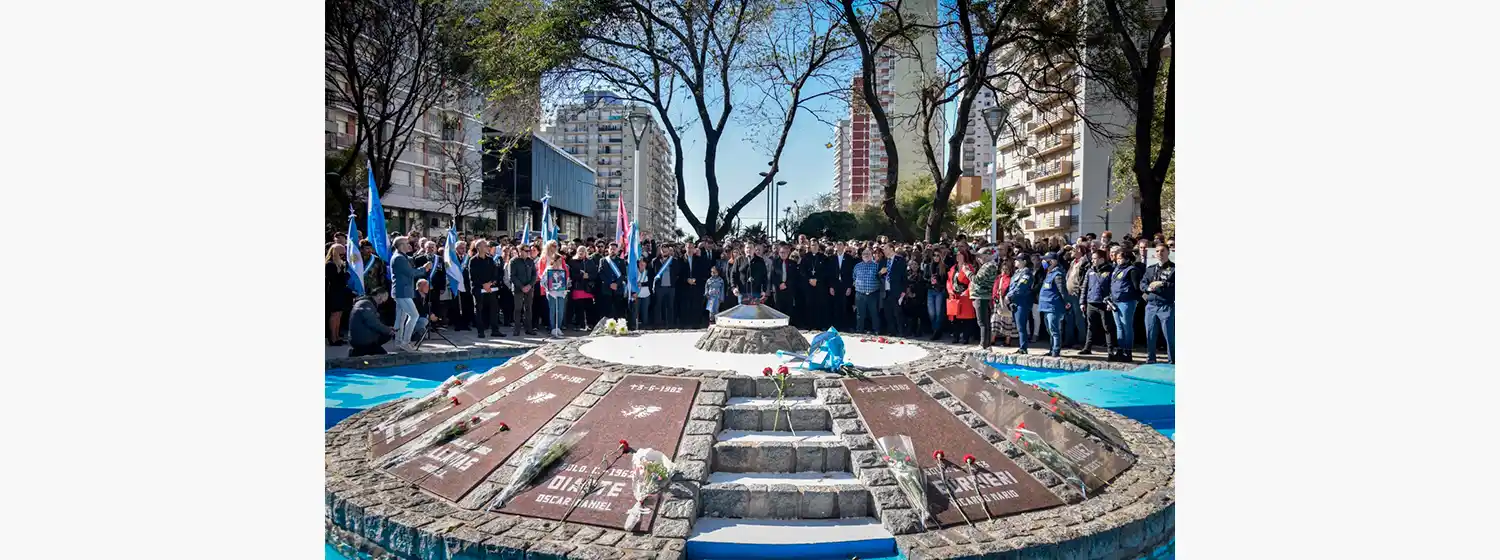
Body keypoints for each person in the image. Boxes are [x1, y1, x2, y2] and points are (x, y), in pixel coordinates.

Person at [390, 236, 433, 352]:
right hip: (402, 292)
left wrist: (424, 255)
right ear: (401, 246)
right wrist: (424, 269)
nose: (409, 245)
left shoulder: (401, 257)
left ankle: (399, 341)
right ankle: (405, 342)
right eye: (406, 243)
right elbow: (411, 273)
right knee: (414, 315)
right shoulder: (399, 258)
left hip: (401, 291)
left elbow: (412, 260)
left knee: (400, 318)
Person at [1108, 247, 1145, 362]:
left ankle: (1127, 351)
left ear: (1127, 258)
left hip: (1127, 301)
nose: (1119, 260)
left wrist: (1135, 298)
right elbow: (1112, 285)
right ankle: (1120, 349)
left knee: (1126, 326)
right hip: (1115, 301)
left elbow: (1136, 287)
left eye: (1121, 258)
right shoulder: (1116, 269)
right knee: (1119, 327)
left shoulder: (1131, 270)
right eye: (1117, 258)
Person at [1141, 244, 1176, 364]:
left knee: (1169, 335)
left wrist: (1163, 284)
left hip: (1166, 305)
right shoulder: (1151, 268)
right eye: (1157, 251)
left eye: (1162, 251)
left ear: (1168, 252)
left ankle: (1172, 360)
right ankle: (1151, 359)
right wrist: (1148, 288)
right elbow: (1142, 284)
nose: (1159, 253)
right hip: (1151, 306)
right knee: (1150, 334)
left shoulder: (1174, 269)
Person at [1080, 248, 1117, 357]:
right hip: (1091, 301)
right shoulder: (1090, 271)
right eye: (1092, 259)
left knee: (1107, 327)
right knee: (1090, 326)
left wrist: (1110, 300)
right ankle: (1087, 347)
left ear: (1101, 259)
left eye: (1095, 259)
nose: (1093, 261)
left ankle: (1110, 350)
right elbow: (1084, 287)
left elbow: (1112, 287)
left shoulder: (1110, 270)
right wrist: (1082, 302)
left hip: (1104, 303)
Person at [1037, 252, 1071, 357]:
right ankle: (1052, 349)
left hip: (1053, 306)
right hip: (1046, 306)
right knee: (1049, 330)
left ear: (1052, 261)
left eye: (1045, 260)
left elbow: (1063, 291)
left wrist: (1067, 303)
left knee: (1054, 329)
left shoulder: (1058, 275)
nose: (1043, 262)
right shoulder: (1049, 273)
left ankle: (1056, 351)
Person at [348, 291, 395, 357]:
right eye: (383, 300)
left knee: (387, 333)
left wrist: (387, 329)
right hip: (362, 341)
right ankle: (360, 351)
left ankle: (361, 351)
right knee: (387, 334)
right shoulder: (366, 304)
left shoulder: (366, 303)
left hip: (359, 338)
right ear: (379, 296)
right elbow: (373, 323)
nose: (382, 302)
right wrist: (388, 330)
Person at [970, 247, 1000, 349]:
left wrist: (967, 272)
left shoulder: (989, 266)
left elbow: (977, 280)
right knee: (984, 322)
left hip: (982, 296)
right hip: (981, 296)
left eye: (980, 256)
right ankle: (986, 344)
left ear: (987, 256)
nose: (978, 259)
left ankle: (983, 344)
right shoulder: (987, 266)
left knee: (982, 322)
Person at [1005, 254, 1036, 354]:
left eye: (1018, 260)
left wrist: (1009, 296)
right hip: (1015, 301)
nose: (1015, 262)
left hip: (1023, 301)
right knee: (1019, 326)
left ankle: (1023, 348)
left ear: (1024, 262)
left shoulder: (1026, 273)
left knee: (1021, 325)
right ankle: (1022, 346)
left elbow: (1021, 287)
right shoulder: (1017, 273)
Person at [946, 247, 978, 344]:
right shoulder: (953, 268)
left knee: (966, 319)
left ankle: (965, 337)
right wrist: (950, 290)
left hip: (965, 296)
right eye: (957, 255)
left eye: (960, 255)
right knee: (955, 318)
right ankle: (955, 337)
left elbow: (972, 282)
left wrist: (967, 292)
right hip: (954, 296)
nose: (958, 257)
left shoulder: (968, 267)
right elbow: (949, 281)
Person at [325, 243, 354, 346]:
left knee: (339, 315)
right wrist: (346, 275)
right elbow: (334, 280)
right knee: (334, 315)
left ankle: (337, 336)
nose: (343, 255)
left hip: (341, 292)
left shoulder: (339, 264)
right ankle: (333, 338)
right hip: (333, 292)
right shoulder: (330, 264)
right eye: (340, 253)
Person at [540, 242, 571, 338]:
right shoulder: (548, 269)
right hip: (551, 292)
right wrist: (547, 286)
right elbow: (543, 280)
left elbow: (567, 280)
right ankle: (553, 328)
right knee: (552, 310)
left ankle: (559, 327)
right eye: (557, 260)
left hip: (561, 292)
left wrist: (566, 285)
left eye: (560, 260)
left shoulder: (563, 270)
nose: (559, 262)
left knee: (560, 310)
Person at [650, 244, 685, 327]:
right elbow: (652, 274)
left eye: (666, 250)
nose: (664, 251)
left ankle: (670, 324)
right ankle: (658, 324)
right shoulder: (655, 261)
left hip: (671, 287)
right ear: (660, 250)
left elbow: (678, 272)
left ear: (669, 251)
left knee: (670, 306)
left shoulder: (674, 260)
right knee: (658, 306)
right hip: (659, 287)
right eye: (662, 250)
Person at [507, 244, 538, 336]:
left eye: (529, 251)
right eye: (526, 251)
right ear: (520, 251)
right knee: (518, 309)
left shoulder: (530, 261)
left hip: (529, 288)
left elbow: (534, 275)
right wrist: (521, 287)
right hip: (518, 289)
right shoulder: (513, 261)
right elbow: (512, 276)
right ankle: (516, 329)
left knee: (528, 308)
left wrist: (529, 285)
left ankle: (529, 328)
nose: (528, 253)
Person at [852, 248, 881, 334]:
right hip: (860, 294)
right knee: (860, 314)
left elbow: (880, 278)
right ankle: (859, 330)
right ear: (861, 256)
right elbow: (854, 277)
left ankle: (876, 330)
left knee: (874, 313)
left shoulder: (876, 265)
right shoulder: (857, 266)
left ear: (871, 255)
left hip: (873, 294)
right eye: (864, 254)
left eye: (868, 254)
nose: (866, 255)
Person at [881, 245, 908, 336]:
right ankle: (892, 331)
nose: (884, 251)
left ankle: (901, 331)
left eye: (885, 249)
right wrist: (881, 273)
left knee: (898, 312)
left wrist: (903, 291)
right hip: (885, 290)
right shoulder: (883, 261)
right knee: (888, 312)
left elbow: (904, 276)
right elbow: (877, 276)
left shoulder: (900, 260)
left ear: (891, 249)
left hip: (896, 290)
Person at [992, 257, 1019, 347]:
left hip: (1006, 302)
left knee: (1007, 320)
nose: (1004, 271)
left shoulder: (1010, 279)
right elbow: (994, 289)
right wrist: (995, 297)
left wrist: (1002, 293)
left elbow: (1007, 288)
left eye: (1006, 269)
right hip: (998, 301)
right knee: (995, 320)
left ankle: (1007, 341)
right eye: (1003, 269)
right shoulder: (998, 278)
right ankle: (992, 339)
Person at [921, 250, 947, 340]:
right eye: (934, 255)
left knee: (938, 312)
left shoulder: (944, 267)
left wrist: (938, 282)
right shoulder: (928, 266)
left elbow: (945, 281)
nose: (936, 257)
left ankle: (937, 332)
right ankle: (935, 329)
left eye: (937, 255)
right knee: (931, 313)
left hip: (939, 291)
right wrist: (930, 280)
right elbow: (924, 278)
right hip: (930, 290)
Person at [769, 243, 798, 315]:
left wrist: (786, 284)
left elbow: (794, 277)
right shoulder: (774, 263)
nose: (783, 254)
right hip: (778, 290)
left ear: (788, 253)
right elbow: (772, 276)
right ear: (779, 253)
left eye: (785, 252)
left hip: (789, 289)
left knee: (788, 309)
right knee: (778, 309)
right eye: (781, 252)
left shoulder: (793, 263)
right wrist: (779, 284)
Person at [630, 258, 652, 330]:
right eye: (640, 263)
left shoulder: (648, 272)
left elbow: (650, 283)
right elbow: (631, 284)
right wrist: (633, 293)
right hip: (636, 295)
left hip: (646, 295)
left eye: (643, 263)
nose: (642, 264)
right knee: (635, 312)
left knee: (645, 311)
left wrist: (641, 284)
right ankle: (634, 326)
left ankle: (645, 326)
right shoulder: (634, 273)